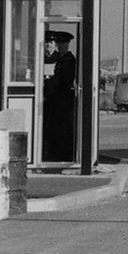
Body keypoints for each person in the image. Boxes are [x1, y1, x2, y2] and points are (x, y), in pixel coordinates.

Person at [42, 30, 77, 162]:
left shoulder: (68, 60)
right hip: (58, 99)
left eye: (63, 44)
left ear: (68, 44)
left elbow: (61, 80)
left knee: (61, 129)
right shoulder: (62, 59)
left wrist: (47, 84)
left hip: (62, 99)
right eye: (59, 43)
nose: (61, 46)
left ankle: (60, 155)